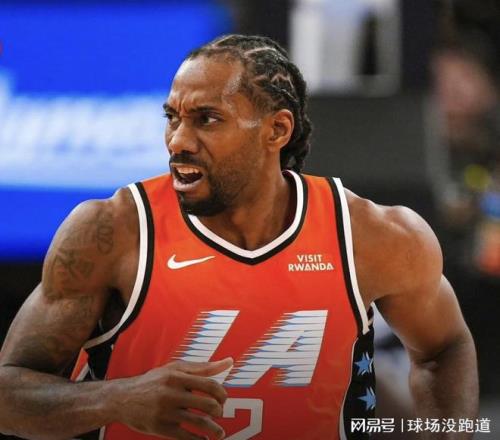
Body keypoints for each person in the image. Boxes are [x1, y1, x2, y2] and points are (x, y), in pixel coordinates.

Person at [0, 34, 478, 440]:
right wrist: (115, 399)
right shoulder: (113, 231)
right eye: (172, 117)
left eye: (206, 119)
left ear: (277, 130)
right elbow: (8, 393)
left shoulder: (371, 234)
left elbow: (445, 348)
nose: (177, 140)